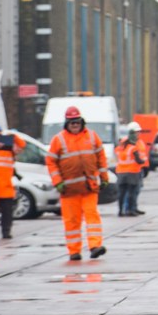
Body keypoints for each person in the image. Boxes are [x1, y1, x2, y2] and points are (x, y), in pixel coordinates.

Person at [46, 106, 107, 260]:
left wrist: (104, 177)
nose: (75, 125)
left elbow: (101, 157)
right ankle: (74, 251)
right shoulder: (58, 140)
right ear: (67, 123)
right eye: (72, 122)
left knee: (92, 216)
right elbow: (51, 162)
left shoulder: (92, 136)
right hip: (69, 189)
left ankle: (95, 246)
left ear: (82, 122)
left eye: (77, 122)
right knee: (71, 221)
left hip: (89, 187)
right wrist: (58, 182)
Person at [0, 126, 25, 239]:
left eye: (0, 134)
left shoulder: (9, 149)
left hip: (5, 186)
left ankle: (6, 232)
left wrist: (14, 137)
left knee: (7, 213)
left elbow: (22, 145)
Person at [113, 122, 149, 217]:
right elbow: (138, 159)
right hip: (132, 171)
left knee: (131, 191)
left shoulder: (135, 143)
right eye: (136, 132)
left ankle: (130, 208)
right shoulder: (131, 145)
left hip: (128, 171)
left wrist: (145, 166)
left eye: (139, 131)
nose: (138, 133)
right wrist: (143, 162)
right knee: (130, 191)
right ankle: (128, 209)